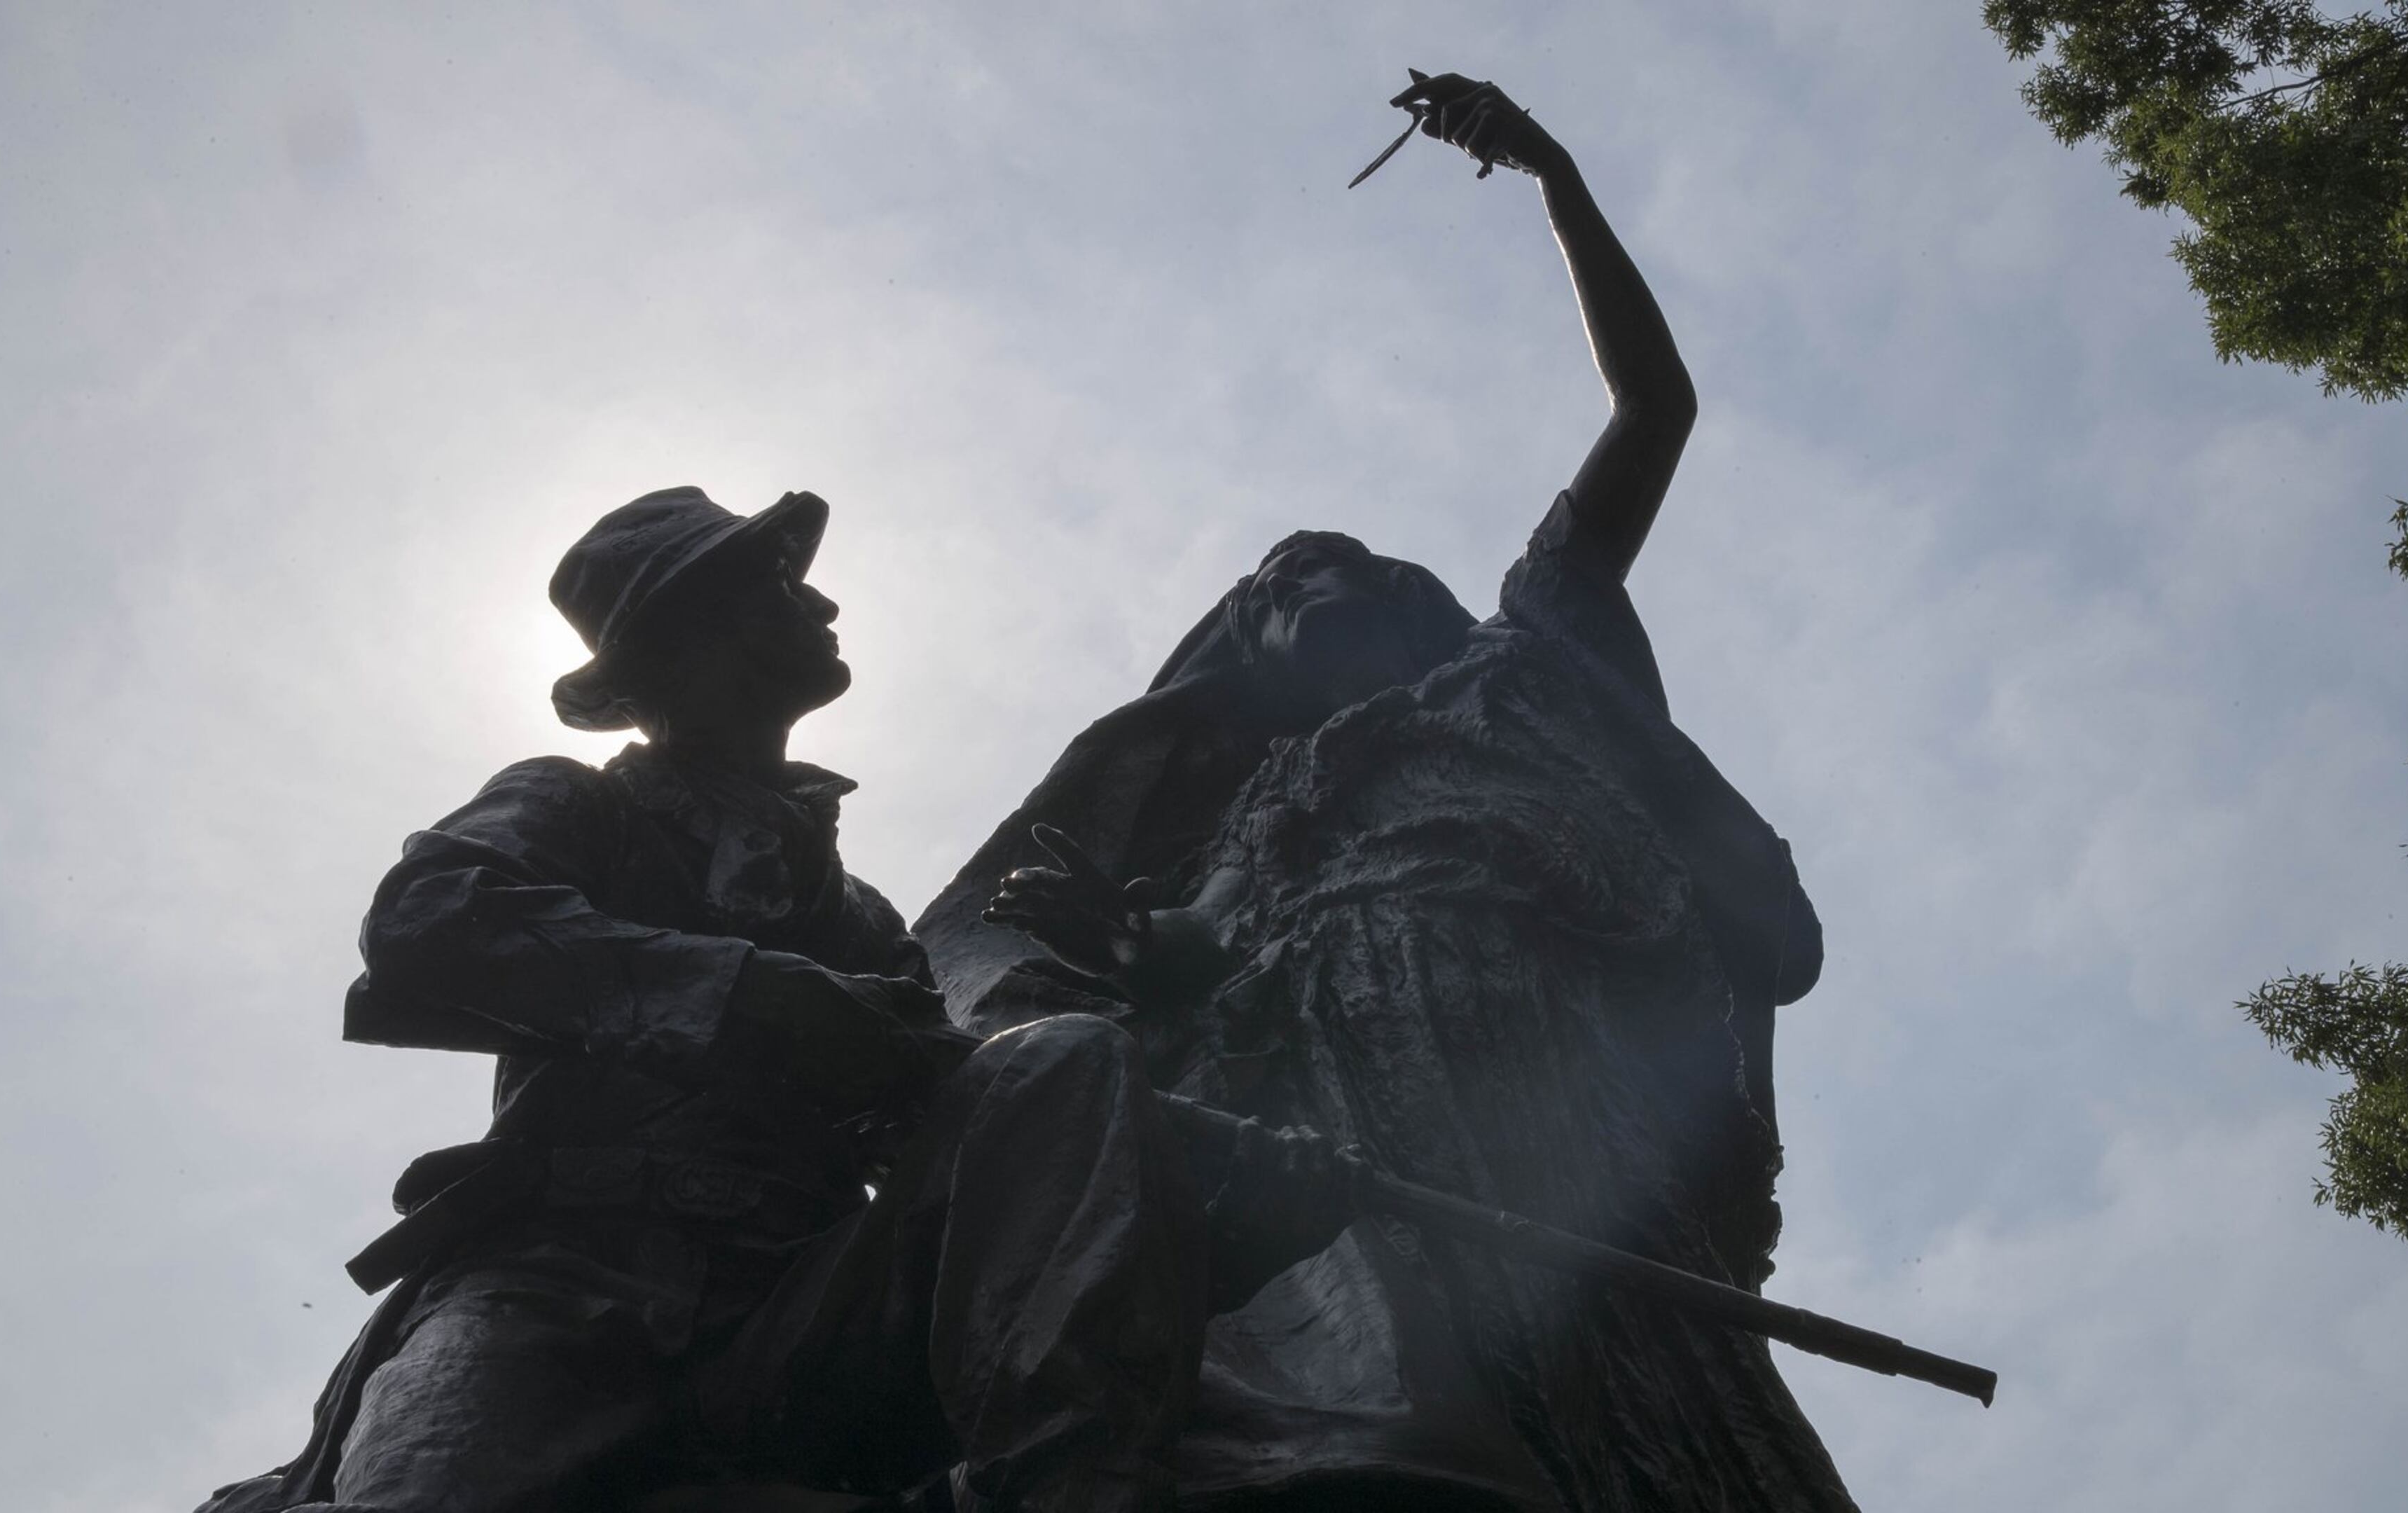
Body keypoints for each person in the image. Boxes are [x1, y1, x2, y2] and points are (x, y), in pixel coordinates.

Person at [920, 75, 1852, 1509]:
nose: (1307, 587)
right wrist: (1108, 949)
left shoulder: (1526, 651)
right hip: (1336, 1124)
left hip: (1548, 1085)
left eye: (1333, 564)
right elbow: (1194, 968)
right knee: (1395, 1416)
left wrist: (1553, 174)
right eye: (1277, 588)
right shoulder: (1262, 809)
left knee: (1641, 1398)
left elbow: (1656, 406)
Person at [198, 487, 1211, 1513]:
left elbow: (957, 1103)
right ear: (684, 632)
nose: (822, 608)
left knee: (1060, 1059)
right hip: (565, 1289)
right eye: (780, 586)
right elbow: (429, 920)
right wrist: (747, 993)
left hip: (798, 1321)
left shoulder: (858, 918)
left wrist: (1223, 1119)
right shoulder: (579, 803)